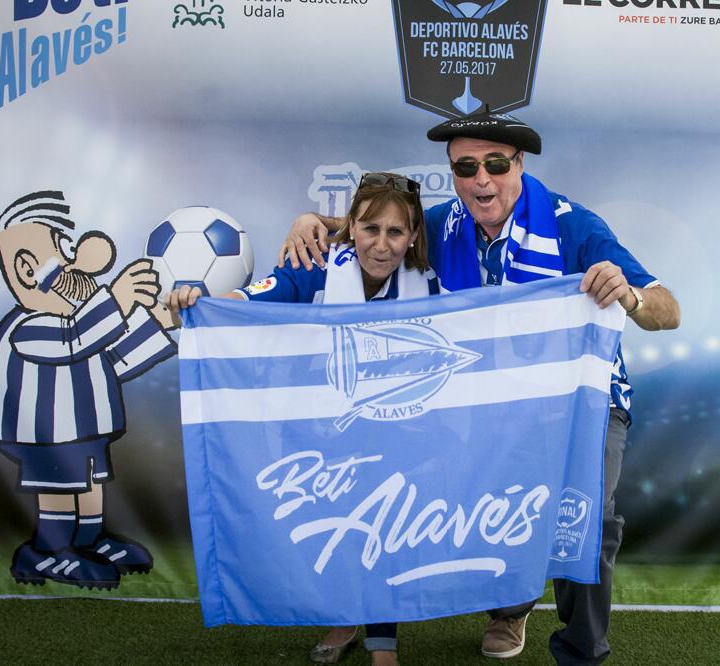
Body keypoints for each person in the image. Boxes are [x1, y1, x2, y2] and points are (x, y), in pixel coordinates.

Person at [279, 109, 681, 665]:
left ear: (519, 164)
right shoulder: (444, 226)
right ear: (453, 172)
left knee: (585, 513)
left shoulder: (571, 224)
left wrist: (631, 296)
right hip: (485, 401)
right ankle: (510, 608)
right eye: (466, 167)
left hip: (581, 401)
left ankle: (583, 649)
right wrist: (313, 221)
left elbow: (668, 310)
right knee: (472, 493)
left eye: (495, 163)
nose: (481, 179)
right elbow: (382, 225)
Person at [167, 173, 438, 666]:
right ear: (351, 227)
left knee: (387, 523)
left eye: (395, 233)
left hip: (398, 431)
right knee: (335, 528)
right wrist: (199, 308)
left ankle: (383, 643)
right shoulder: (315, 268)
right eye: (370, 229)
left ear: (413, 235)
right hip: (321, 431)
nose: (381, 245)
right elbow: (251, 302)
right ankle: (343, 617)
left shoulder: (433, 284)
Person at [0, 190, 177, 590]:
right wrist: (117, 299)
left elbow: (113, 360)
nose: (79, 263)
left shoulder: (77, 324)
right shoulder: (30, 327)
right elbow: (75, 339)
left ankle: (88, 540)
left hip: (82, 428)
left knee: (88, 480)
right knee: (60, 484)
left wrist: (160, 326)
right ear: (28, 269)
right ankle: (47, 551)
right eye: (65, 252)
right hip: (43, 431)